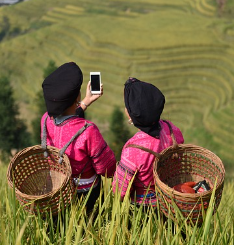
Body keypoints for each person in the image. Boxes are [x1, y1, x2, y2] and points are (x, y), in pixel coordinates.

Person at [41, 62, 116, 214]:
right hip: (86, 195)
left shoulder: (45, 120)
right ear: (77, 97)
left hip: (58, 188)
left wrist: (85, 102)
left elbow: (66, 123)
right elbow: (107, 168)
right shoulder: (88, 130)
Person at [112, 77, 184, 207]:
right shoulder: (173, 130)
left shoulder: (133, 149)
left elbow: (120, 190)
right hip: (172, 203)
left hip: (144, 210)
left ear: (130, 114)